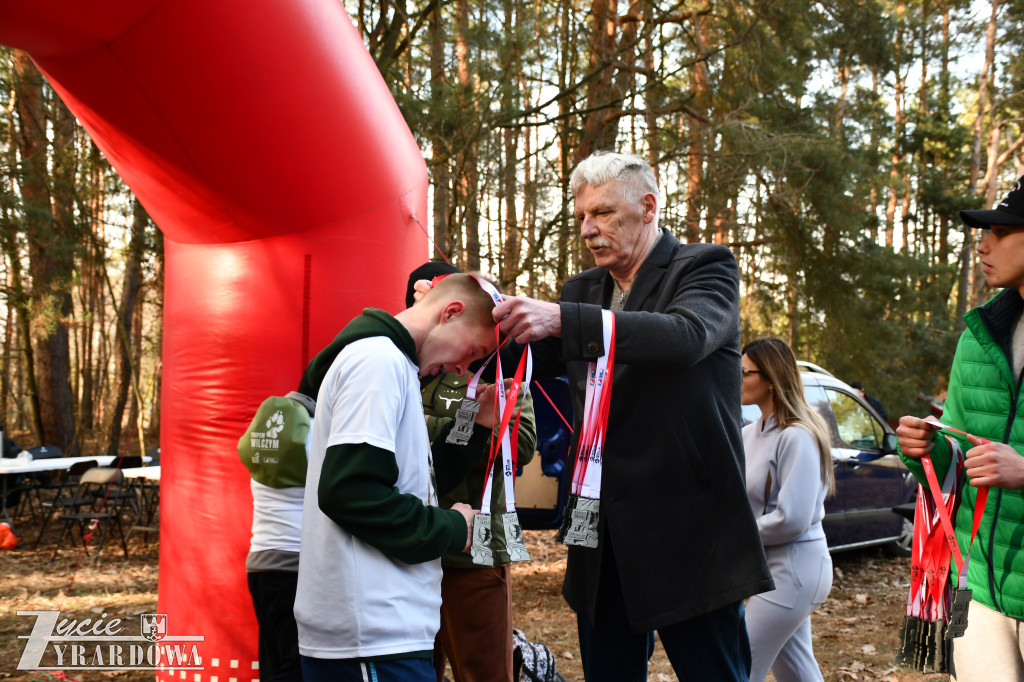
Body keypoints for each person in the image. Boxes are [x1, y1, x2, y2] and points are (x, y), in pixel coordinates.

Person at [490, 151, 774, 680]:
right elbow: (523, 357)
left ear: (648, 207)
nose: (587, 230)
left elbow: (685, 336)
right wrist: (480, 315)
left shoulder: (705, 267)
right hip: (599, 535)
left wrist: (562, 319)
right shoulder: (582, 291)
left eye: (603, 213)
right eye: (580, 217)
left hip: (689, 531)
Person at [293, 274, 504, 682]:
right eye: (474, 351)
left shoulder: (399, 365)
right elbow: (351, 493)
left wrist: (475, 424)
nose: (465, 368)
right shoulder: (379, 362)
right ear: (451, 312)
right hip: (371, 634)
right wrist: (453, 527)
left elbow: (417, 479)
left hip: (383, 631)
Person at [897, 175, 1024, 681]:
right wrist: (924, 448)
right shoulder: (979, 335)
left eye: (1000, 231)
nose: (983, 245)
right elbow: (955, 451)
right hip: (981, 587)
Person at [405, 262, 538, 682]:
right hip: (410, 545)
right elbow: (395, 434)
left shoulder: (499, 367)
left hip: (478, 548)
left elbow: (521, 445)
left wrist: (453, 429)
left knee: (484, 672)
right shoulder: (402, 360)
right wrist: (472, 423)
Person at [740, 338, 834, 682]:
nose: (738, 379)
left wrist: (735, 535)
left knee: (740, 666)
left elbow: (792, 518)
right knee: (796, 670)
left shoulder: (798, 437)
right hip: (769, 567)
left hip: (796, 568)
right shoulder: (750, 433)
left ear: (770, 378)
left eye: (745, 373)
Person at [241, 389, 315, 682]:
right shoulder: (313, 436)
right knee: (294, 664)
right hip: (295, 565)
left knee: (273, 660)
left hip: (260, 560)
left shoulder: (266, 440)